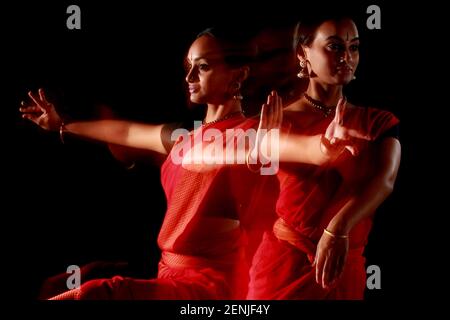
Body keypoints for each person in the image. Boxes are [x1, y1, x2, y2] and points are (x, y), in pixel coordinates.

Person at [247, 13, 401, 299]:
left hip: (341, 262)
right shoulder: (277, 118)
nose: (347, 57)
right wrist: (258, 152)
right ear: (303, 53)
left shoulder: (377, 122)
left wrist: (337, 230)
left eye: (353, 47)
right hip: (281, 265)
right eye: (334, 47)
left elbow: (385, 181)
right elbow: (255, 176)